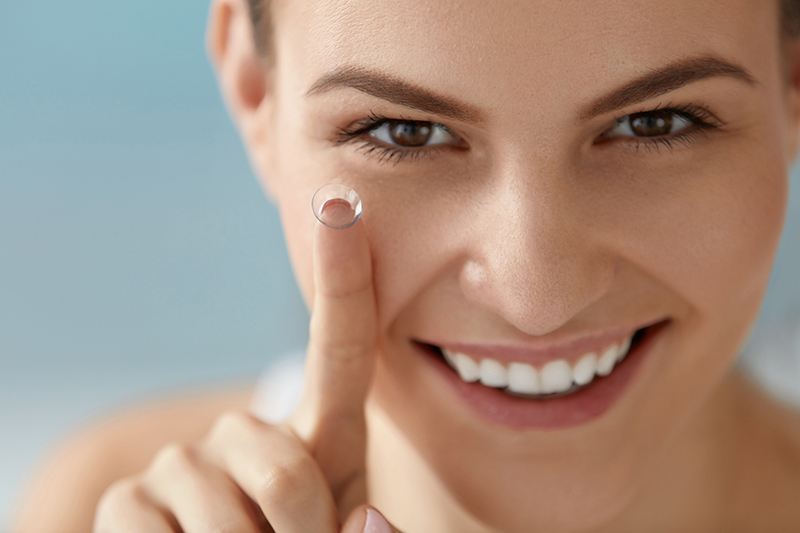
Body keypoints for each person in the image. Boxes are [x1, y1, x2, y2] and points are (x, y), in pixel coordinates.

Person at [12, 0, 800, 531]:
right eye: (405, 133)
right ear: (256, 93)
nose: (537, 298)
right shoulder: (95, 504)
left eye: (655, 122)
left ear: (794, 83)